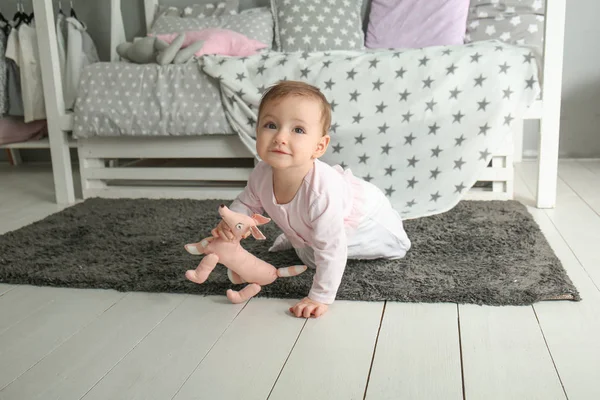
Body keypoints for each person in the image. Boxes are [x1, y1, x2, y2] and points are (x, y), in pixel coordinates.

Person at [211, 80, 411, 318]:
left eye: (298, 130)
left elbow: (333, 248)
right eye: (271, 125)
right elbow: (246, 203)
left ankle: (392, 241)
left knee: (331, 251)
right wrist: (232, 223)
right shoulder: (262, 173)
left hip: (369, 223)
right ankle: (302, 237)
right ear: (257, 132)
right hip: (315, 227)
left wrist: (319, 297)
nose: (280, 137)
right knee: (310, 253)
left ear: (319, 146)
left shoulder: (320, 192)